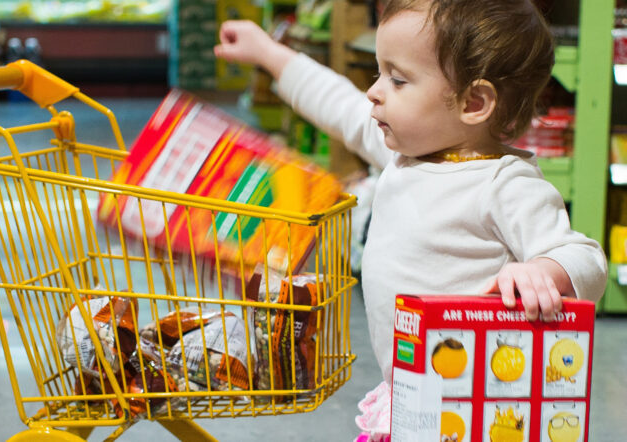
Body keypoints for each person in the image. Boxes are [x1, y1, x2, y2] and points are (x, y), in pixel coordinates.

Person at [215, 0, 608, 439]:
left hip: (476, 411)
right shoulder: (403, 154)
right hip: (411, 398)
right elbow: (338, 104)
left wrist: (546, 271)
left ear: (473, 101)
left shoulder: (504, 183)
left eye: (398, 79)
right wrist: (268, 52)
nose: (374, 91)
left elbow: (585, 257)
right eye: (380, 73)